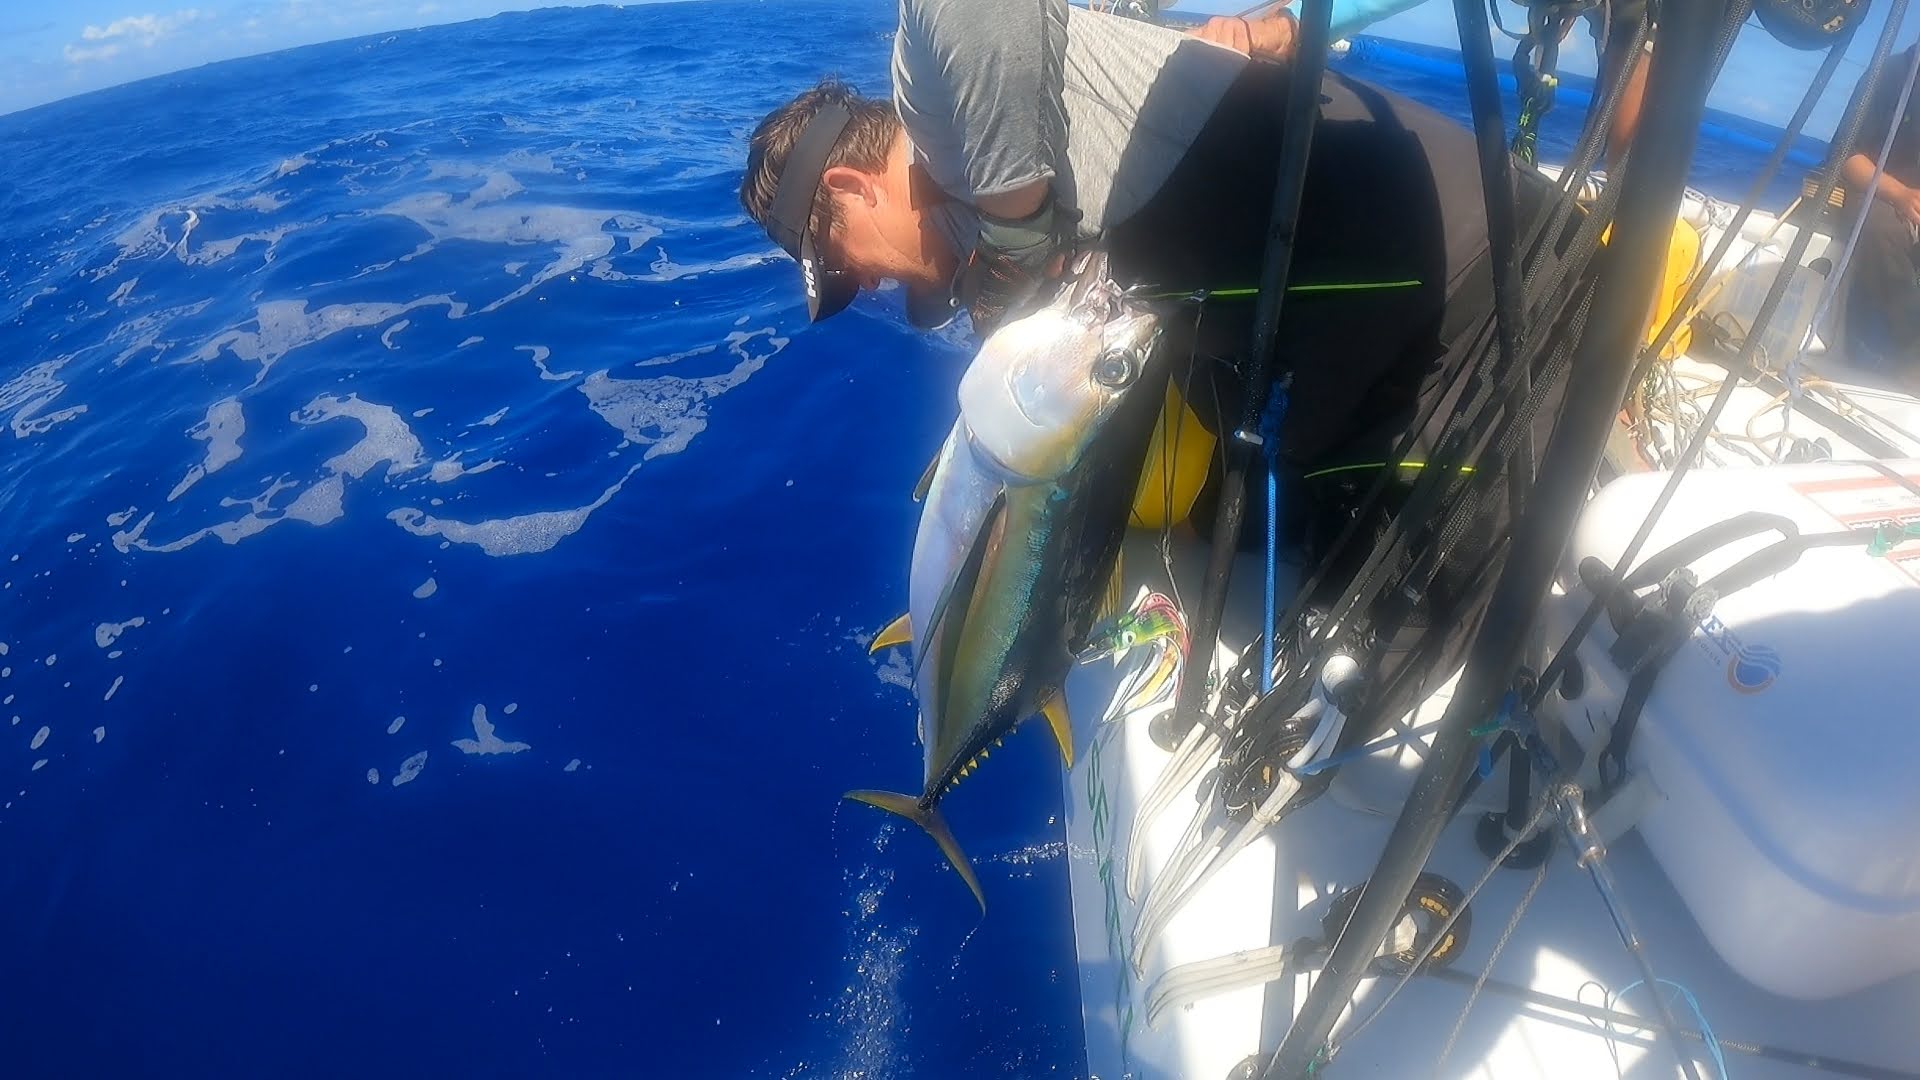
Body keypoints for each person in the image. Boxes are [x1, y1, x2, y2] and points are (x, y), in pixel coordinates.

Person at [739, 0, 1578, 705]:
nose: (872, 290)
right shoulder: (969, 231)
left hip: (1482, 301)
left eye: (847, 268)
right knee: (1268, 565)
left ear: (851, 188)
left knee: (1415, 668)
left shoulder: (935, 106)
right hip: (1352, 369)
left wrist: (1019, 237)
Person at [1831, 43, 1920, 375]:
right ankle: (1910, 355)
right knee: (1883, 230)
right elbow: (1845, 155)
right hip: (1875, 194)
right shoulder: (1887, 74)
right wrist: (1899, 194)